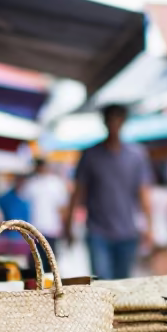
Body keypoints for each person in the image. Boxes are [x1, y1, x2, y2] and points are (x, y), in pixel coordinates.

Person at [65, 104, 153, 280]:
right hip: (98, 231)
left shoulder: (137, 155)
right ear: (104, 122)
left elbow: (143, 192)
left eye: (117, 119)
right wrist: (68, 224)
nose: (114, 124)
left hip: (127, 231)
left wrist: (150, 227)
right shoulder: (90, 155)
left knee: (123, 281)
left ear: (123, 122)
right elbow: (78, 191)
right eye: (110, 119)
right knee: (102, 281)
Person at [19, 157, 70, 246]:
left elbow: (62, 207)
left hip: (52, 228)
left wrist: (65, 227)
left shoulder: (56, 183)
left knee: (49, 256)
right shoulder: (31, 183)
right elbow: (22, 204)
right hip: (34, 228)